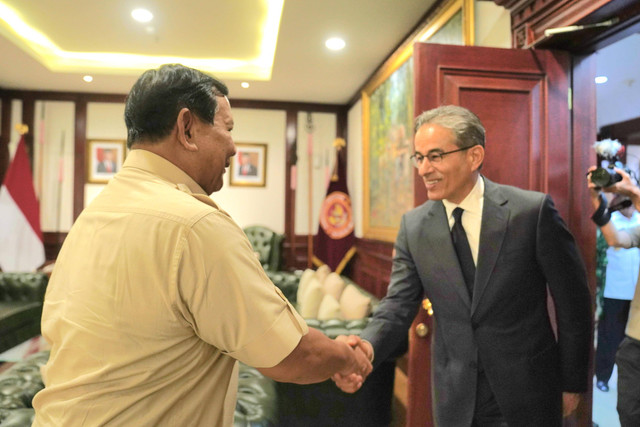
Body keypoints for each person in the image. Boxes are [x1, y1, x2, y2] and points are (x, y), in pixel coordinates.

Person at [32, 64, 371, 426]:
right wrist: (347, 357)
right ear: (187, 128)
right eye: (227, 129)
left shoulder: (95, 214)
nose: (234, 147)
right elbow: (291, 356)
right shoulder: (195, 225)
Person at [335, 105, 592, 426]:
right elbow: (397, 305)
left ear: (474, 156)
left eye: (436, 156)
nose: (423, 168)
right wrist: (366, 349)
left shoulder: (531, 212)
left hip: (529, 390)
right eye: (418, 157)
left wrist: (571, 382)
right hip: (456, 396)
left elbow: (574, 304)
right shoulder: (414, 227)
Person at [587, 166, 640, 426]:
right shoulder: (621, 219)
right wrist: (598, 199)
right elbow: (615, 239)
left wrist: (635, 193)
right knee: (629, 409)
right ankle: (602, 376)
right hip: (631, 324)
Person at [594, 194, 640, 393]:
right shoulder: (610, 221)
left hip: (635, 294)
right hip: (615, 290)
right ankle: (602, 377)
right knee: (610, 338)